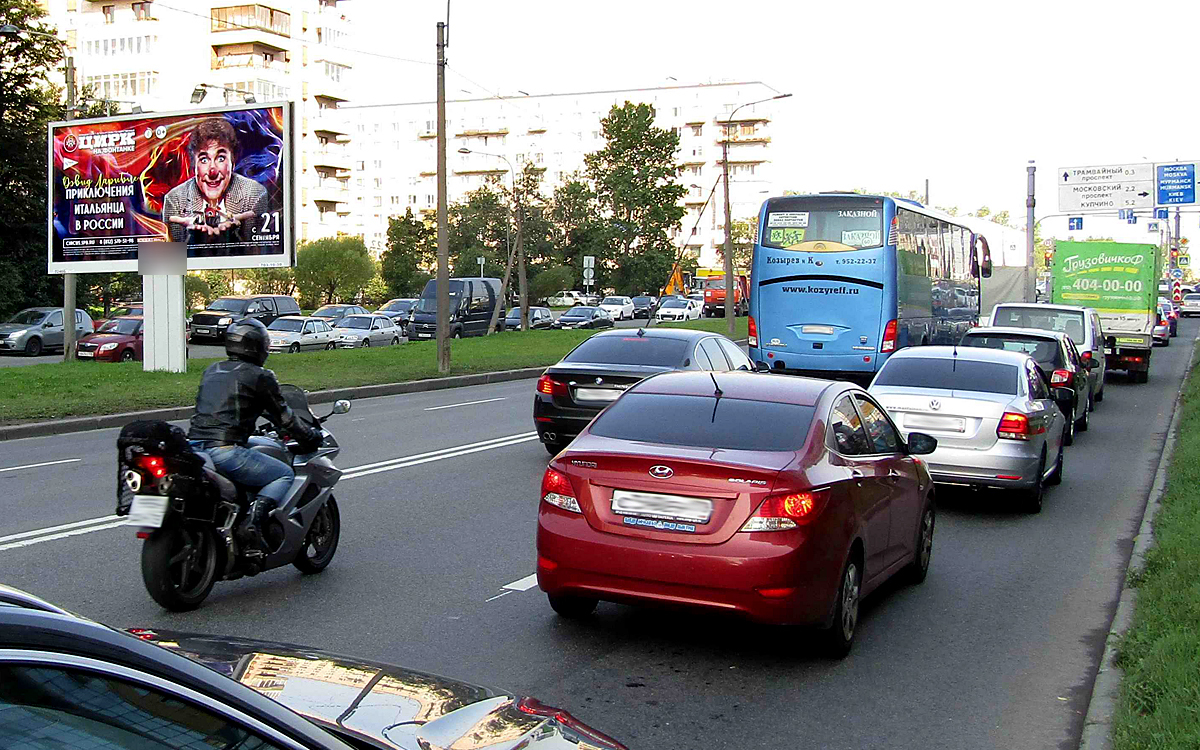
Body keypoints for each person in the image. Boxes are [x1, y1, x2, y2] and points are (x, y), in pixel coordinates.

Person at [188, 318, 322, 557]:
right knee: (283, 474)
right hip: (225, 450)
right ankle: (253, 524)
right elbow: (284, 417)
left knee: (253, 449)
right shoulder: (260, 375)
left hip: (195, 446)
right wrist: (310, 436)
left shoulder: (212, 370)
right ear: (257, 346)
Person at [162, 117, 268, 249]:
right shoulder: (174, 200)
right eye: (204, 159)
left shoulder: (255, 195)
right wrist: (193, 244)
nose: (212, 171)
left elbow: (260, 255)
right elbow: (167, 263)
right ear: (194, 166)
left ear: (233, 164)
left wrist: (233, 240)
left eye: (221, 158)